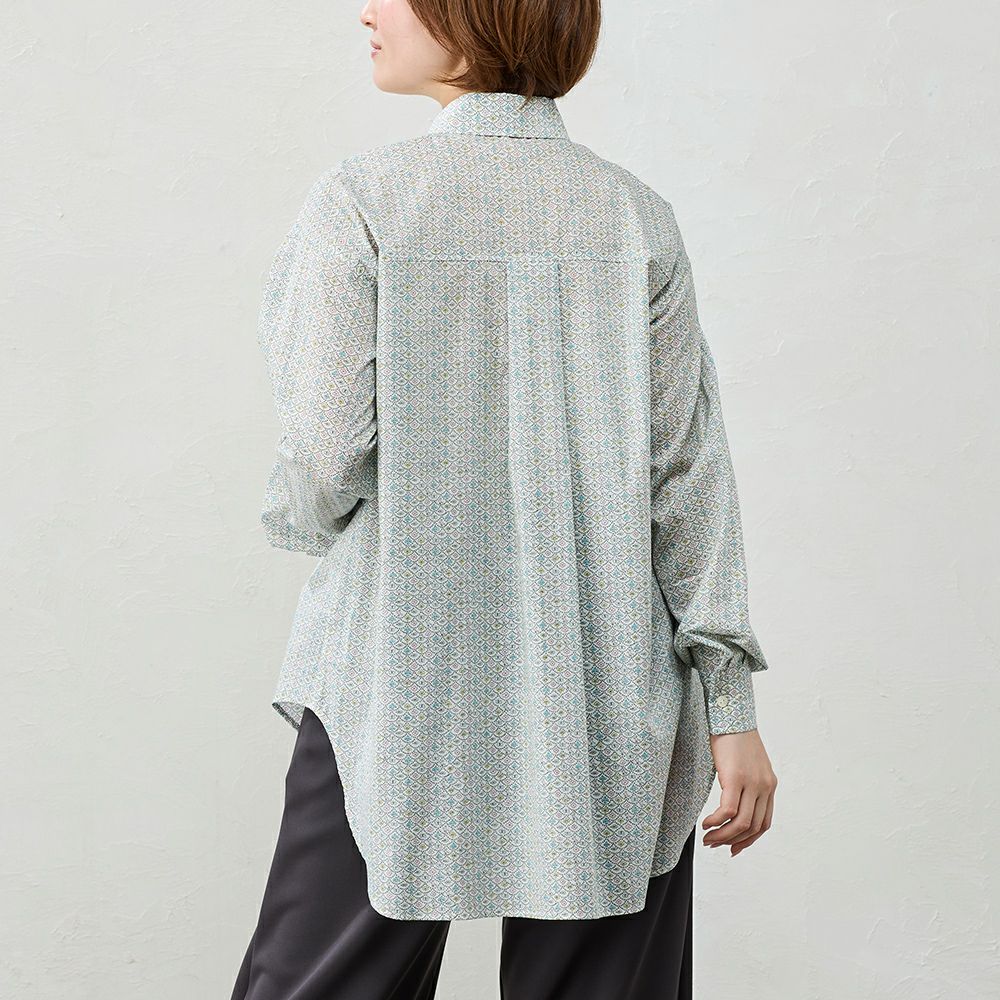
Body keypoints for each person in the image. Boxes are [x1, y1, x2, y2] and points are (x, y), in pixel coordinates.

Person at [231, 0, 778, 997]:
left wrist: (310, 523)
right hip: (607, 687)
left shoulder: (365, 201)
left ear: (475, 15)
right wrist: (730, 708)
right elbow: (686, 476)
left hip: (393, 678)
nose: (368, 10)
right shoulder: (634, 217)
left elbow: (324, 454)